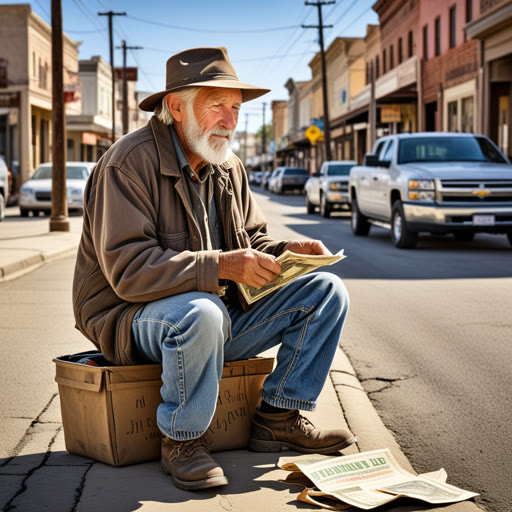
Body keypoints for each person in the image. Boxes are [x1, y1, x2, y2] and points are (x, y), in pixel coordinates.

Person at [72, 47, 354, 491]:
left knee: (326, 290)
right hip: (129, 319)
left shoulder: (228, 166)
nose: (229, 119)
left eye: (236, 108)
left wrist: (286, 250)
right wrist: (223, 266)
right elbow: (128, 272)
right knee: (202, 311)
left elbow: (251, 243)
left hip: (215, 316)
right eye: (216, 105)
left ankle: (278, 417)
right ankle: (182, 441)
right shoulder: (129, 163)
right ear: (176, 106)